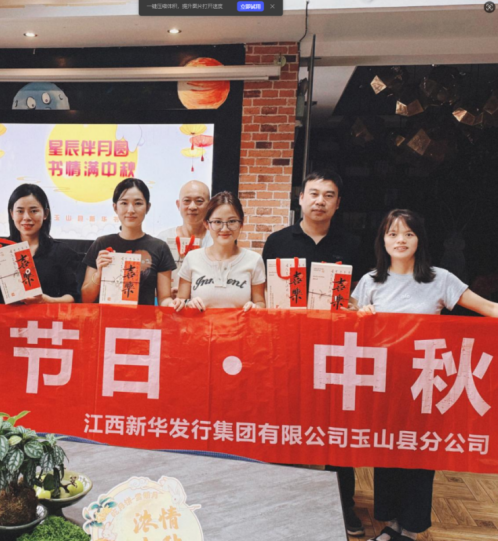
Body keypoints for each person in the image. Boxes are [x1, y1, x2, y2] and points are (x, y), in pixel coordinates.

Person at [352, 209, 498, 541]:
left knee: (419, 453)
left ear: (419, 239)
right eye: (392, 234)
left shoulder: (440, 278)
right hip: (383, 382)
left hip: (426, 383)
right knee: (387, 450)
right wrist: (360, 313)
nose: (400, 240)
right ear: (382, 240)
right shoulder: (370, 281)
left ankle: (412, 528)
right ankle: (391, 524)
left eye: (408, 233)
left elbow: (488, 308)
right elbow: (346, 318)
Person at [261, 169, 363, 537]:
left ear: (338, 203)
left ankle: (343, 504)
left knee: (337, 427)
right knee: (284, 422)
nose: (320, 201)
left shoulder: (352, 244)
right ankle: (282, 497)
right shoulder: (277, 242)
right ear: (301, 198)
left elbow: (361, 294)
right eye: (314, 193)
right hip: (288, 349)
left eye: (328, 195)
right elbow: (266, 295)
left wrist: (355, 306)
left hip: (336, 352)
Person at [0, 183, 79, 304]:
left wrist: (46, 301)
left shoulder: (62, 252)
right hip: (6, 316)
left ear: (45, 214)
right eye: (20, 211)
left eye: (33, 211)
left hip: (45, 316)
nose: (26, 217)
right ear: (12, 214)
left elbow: (72, 297)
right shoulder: (0, 249)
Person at [82, 178, 176, 306]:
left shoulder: (160, 248)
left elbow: (164, 298)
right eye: (124, 203)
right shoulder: (101, 244)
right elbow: (86, 299)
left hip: (143, 319)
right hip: (106, 318)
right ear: (115, 207)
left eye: (138, 203)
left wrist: (172, 304)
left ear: (148, 207)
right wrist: (99, 275)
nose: (131, 210)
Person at [172, 191, 265, 312]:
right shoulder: (192, 258)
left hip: (239, 325)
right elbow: (181, 302)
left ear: (241, 223)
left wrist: (256, 307)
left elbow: (260, 302)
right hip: (199, 325)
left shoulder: (254, 260)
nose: (225, 229)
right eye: (217, 222)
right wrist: (188, 304)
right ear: (206, 224)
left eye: (232, 221)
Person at [156, 180, 213, 297]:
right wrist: (164, 293)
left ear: (209, 206)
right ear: (178, 205)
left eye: (199, 201)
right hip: (169, 305)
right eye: (187, 201)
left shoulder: (216, 241)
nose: (192, 207)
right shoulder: (163, 239)